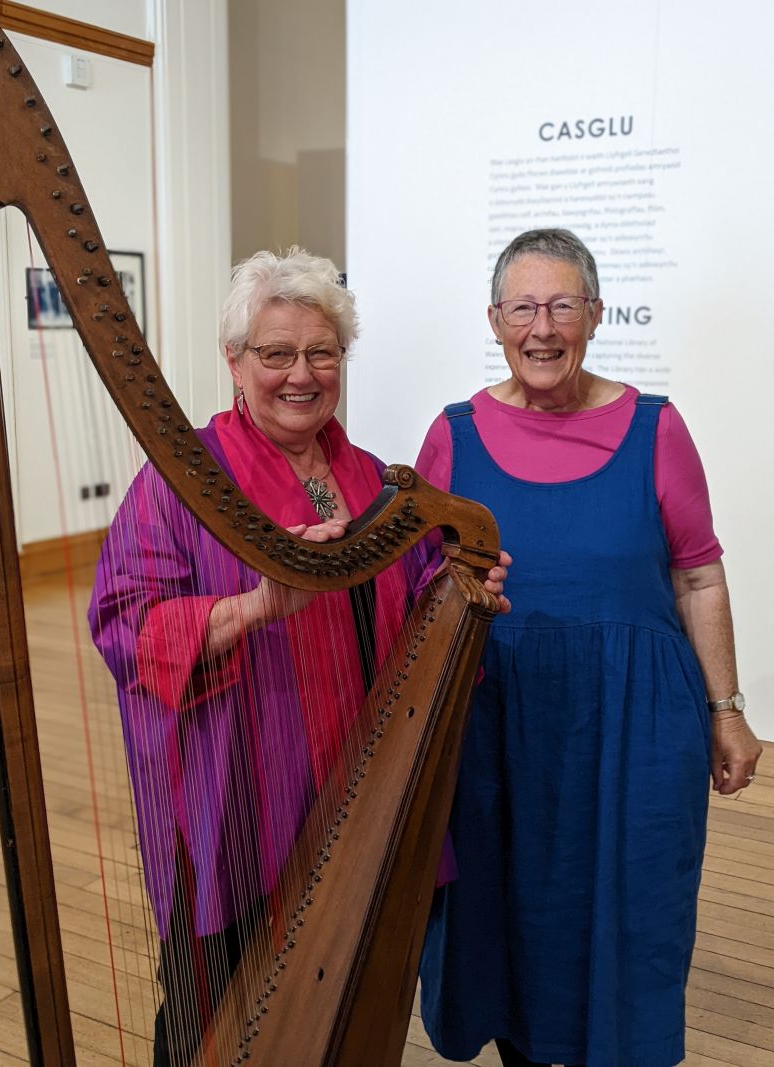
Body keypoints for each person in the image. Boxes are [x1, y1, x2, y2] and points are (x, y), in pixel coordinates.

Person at [88, 247, 508, 1066]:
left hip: (359, 780)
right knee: (209, 1009)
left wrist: (470, 582)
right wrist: (254, 605)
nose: (301, 374)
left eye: (322, 352)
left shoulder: (370, 480)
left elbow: (425, 592)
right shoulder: (182, 482)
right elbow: (125, 626)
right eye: (276, 353)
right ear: (235, 361)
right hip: (241, 795)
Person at [416, 228, 762, 1067]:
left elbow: (700, 577)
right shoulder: (452, 436)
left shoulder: (657, 427)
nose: (543, 327)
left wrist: (727, 710)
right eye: (524, 307)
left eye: (563, 304)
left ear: (597, 314)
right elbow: (419, 588)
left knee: (632, 909)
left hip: (633, 733)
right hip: (499, 728)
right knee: (511, 912)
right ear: (495, 319)